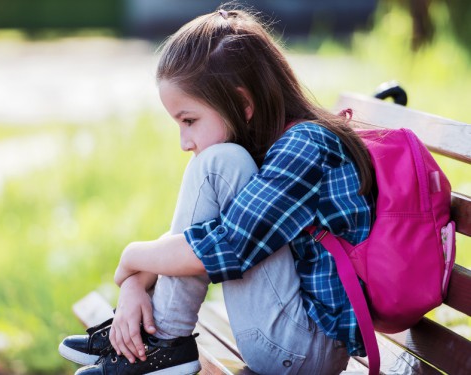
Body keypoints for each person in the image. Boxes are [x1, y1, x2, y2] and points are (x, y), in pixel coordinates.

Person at [59, 7, 375, 375]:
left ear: (243, 104)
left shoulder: (305, 146)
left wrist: (132, 257)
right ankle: (163, 341)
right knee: (221, 163)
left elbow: (225, 247)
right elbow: (209, 237)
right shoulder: (281, 140)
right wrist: (135, 283)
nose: (183, 141)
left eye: (189, 121)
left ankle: (166, 342)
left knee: (217, 163)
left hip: (305, 350)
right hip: (296, 339)